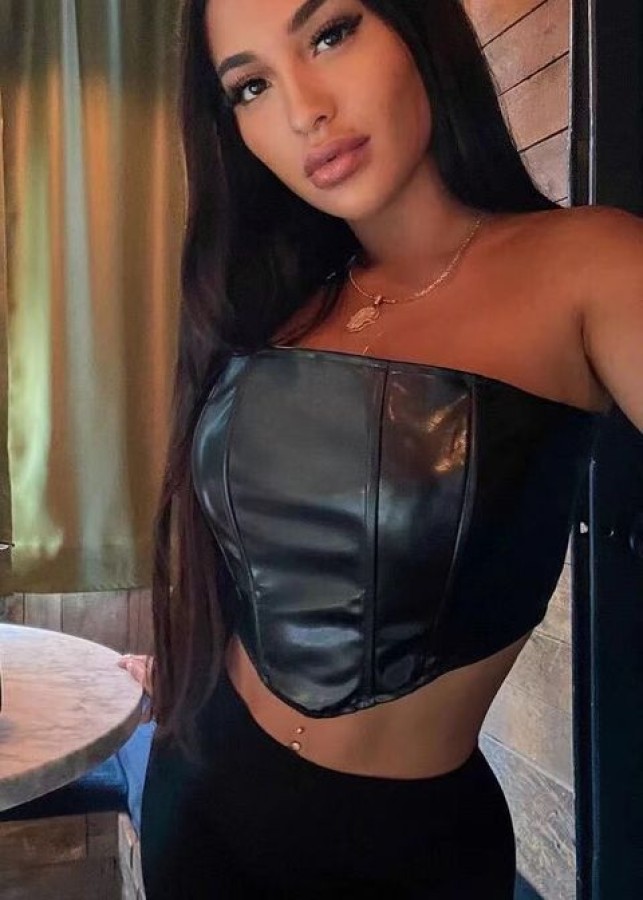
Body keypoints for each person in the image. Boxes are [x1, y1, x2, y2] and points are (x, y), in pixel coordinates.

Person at [121, 0, 643, 896]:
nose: (303, 111)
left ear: (417, 26)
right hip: (197, 784)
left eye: (329, 34)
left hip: (399, 852)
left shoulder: (589, 266)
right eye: (250, 87)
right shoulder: (280, 300)